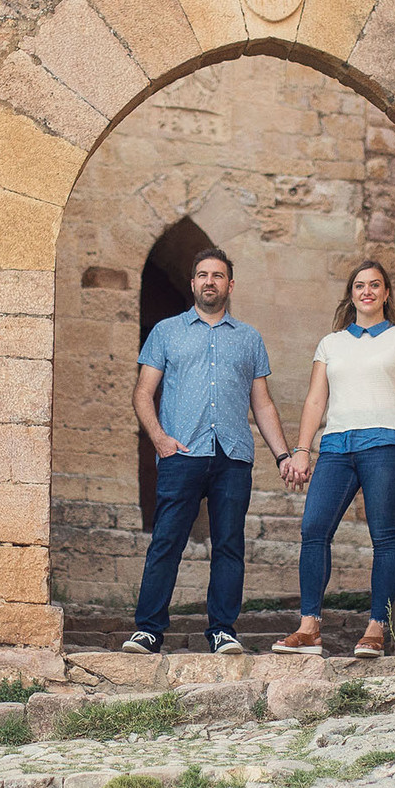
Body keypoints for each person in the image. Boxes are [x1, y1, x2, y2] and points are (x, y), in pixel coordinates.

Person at [122, 248, 302, 655]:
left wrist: (283, 455)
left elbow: (263, 404)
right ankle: (148, 630)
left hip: (233, 456)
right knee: (167, 541)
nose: (209, 282)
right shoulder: (167, 332)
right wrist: (160, 439)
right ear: (192, 283)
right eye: (202, 275)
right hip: (180, 453)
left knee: (228, 545)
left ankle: (223, 630)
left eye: (217, 276)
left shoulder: (249, 338)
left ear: (229, 284)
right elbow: (142, 393)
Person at [272, 260, 395, 658]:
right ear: (352, 293)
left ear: (387, 293)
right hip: (337, 447)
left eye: (376, 285)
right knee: (314, 528)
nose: (367, 291)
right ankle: (309, 628)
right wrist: (302, 450)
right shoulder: (331, 343)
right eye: (360, 285)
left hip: (387, 443)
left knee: (385, 535)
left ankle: (376, 628)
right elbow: (315, 399)